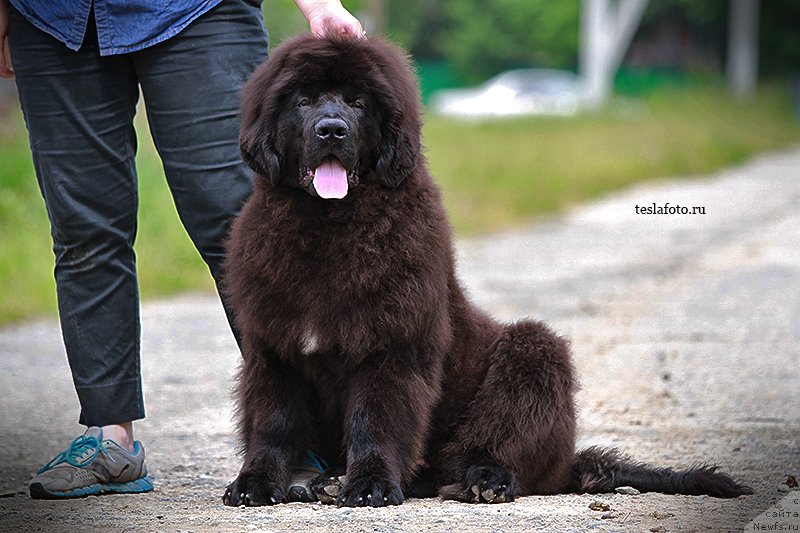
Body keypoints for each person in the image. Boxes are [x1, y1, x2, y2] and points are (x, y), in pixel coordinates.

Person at [0, 0, 363, 500]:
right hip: (52, 20)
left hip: (195, 13)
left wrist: (319, 3)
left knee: (240, 220)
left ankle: (305, 438)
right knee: (83, 232)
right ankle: (110, 440)